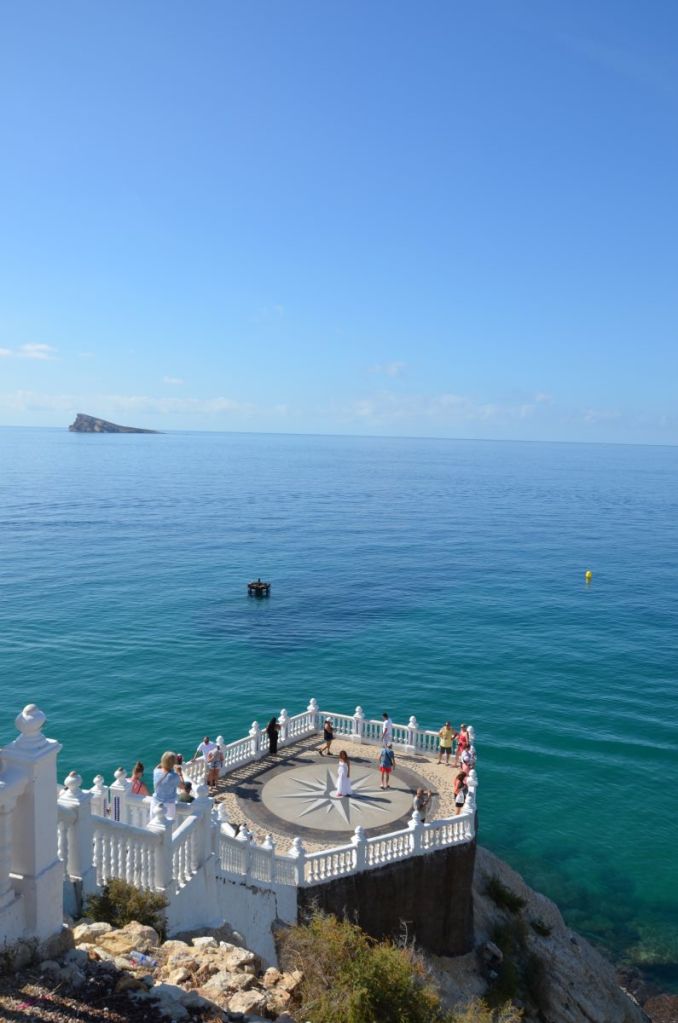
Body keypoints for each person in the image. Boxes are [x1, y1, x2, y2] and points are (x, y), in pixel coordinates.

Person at [152, 751, 186, 821]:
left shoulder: (155, 771)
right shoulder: (174, 776)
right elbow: (183, 786)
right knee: (168, 828)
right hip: (168, 806)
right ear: (173, 763)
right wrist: (179, 773)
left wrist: (166, 761)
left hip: (155, 803)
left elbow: (159, 766)